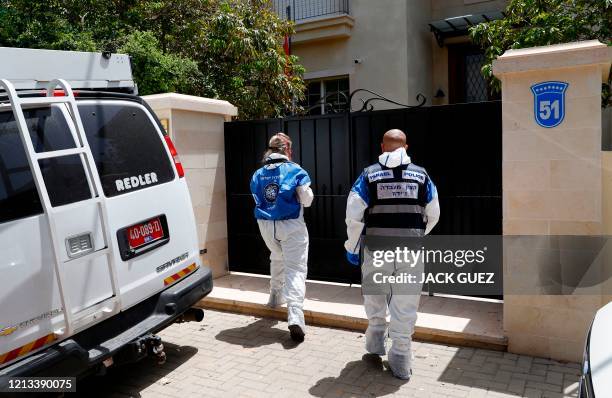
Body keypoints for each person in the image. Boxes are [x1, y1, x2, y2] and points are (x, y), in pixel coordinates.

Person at [344, 129, 440, 380]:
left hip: (376, 249)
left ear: (382, 146)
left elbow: (353, 215)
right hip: (411, 250)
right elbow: (434, 213)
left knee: (375, 298)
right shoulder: (422, 176)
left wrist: (352, 247)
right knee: (405, 304)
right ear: (406, 147)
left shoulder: (369, 174)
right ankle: (400, 360)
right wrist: (418, 234)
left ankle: (375, 345)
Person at [250, 132, 314, 342]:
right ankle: (295, 315)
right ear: (288, 150)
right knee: (295, 269)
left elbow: (257, 198)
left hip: (266, 225)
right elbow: (307, 200)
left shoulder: (258, 174)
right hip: (291, 224)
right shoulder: (296, 170)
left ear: (269, 149)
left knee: (277, 257)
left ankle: (275, 297)